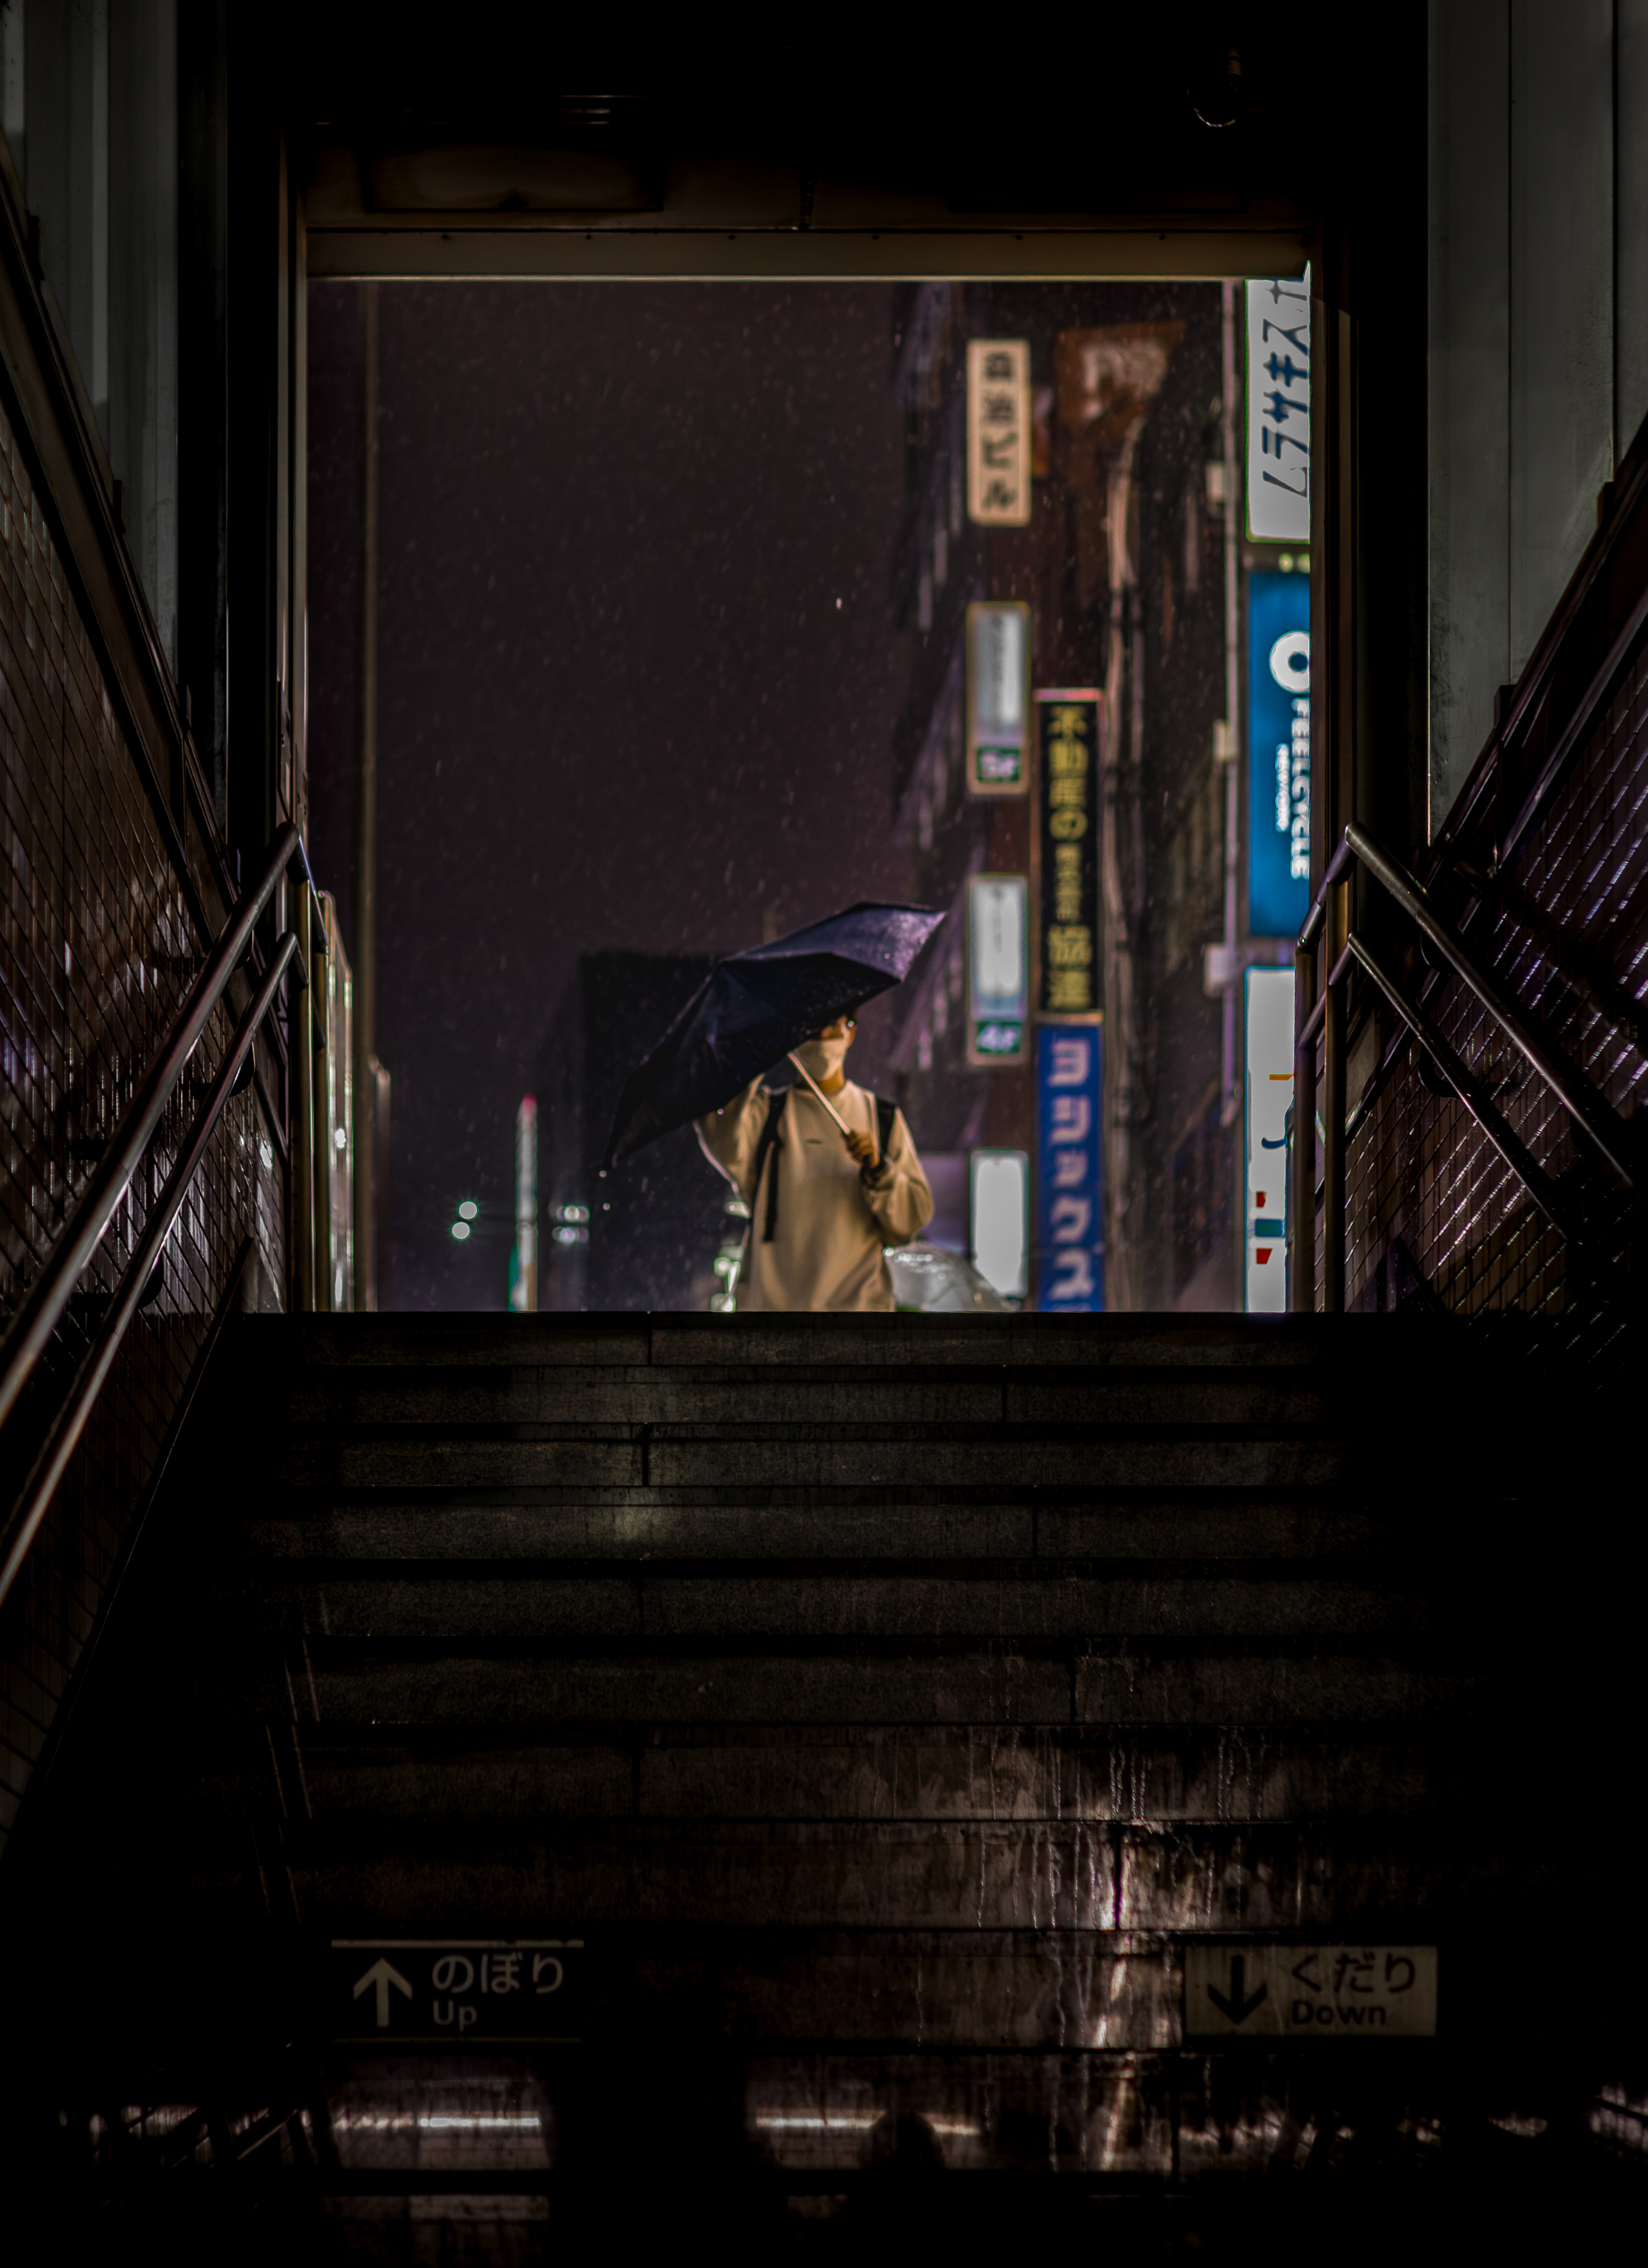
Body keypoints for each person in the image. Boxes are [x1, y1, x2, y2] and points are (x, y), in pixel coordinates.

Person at [695, 1012, 933, 1311]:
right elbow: (720, 1135)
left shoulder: (882, 1119)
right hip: (775, 1315)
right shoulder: (766, 1115)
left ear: (851, 1032)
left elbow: (912, 1218)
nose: (822, 1037)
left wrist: (879, 1169)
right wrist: (755, 1060)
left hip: (856, 1316)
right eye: (813, 1026)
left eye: (833, 1024)